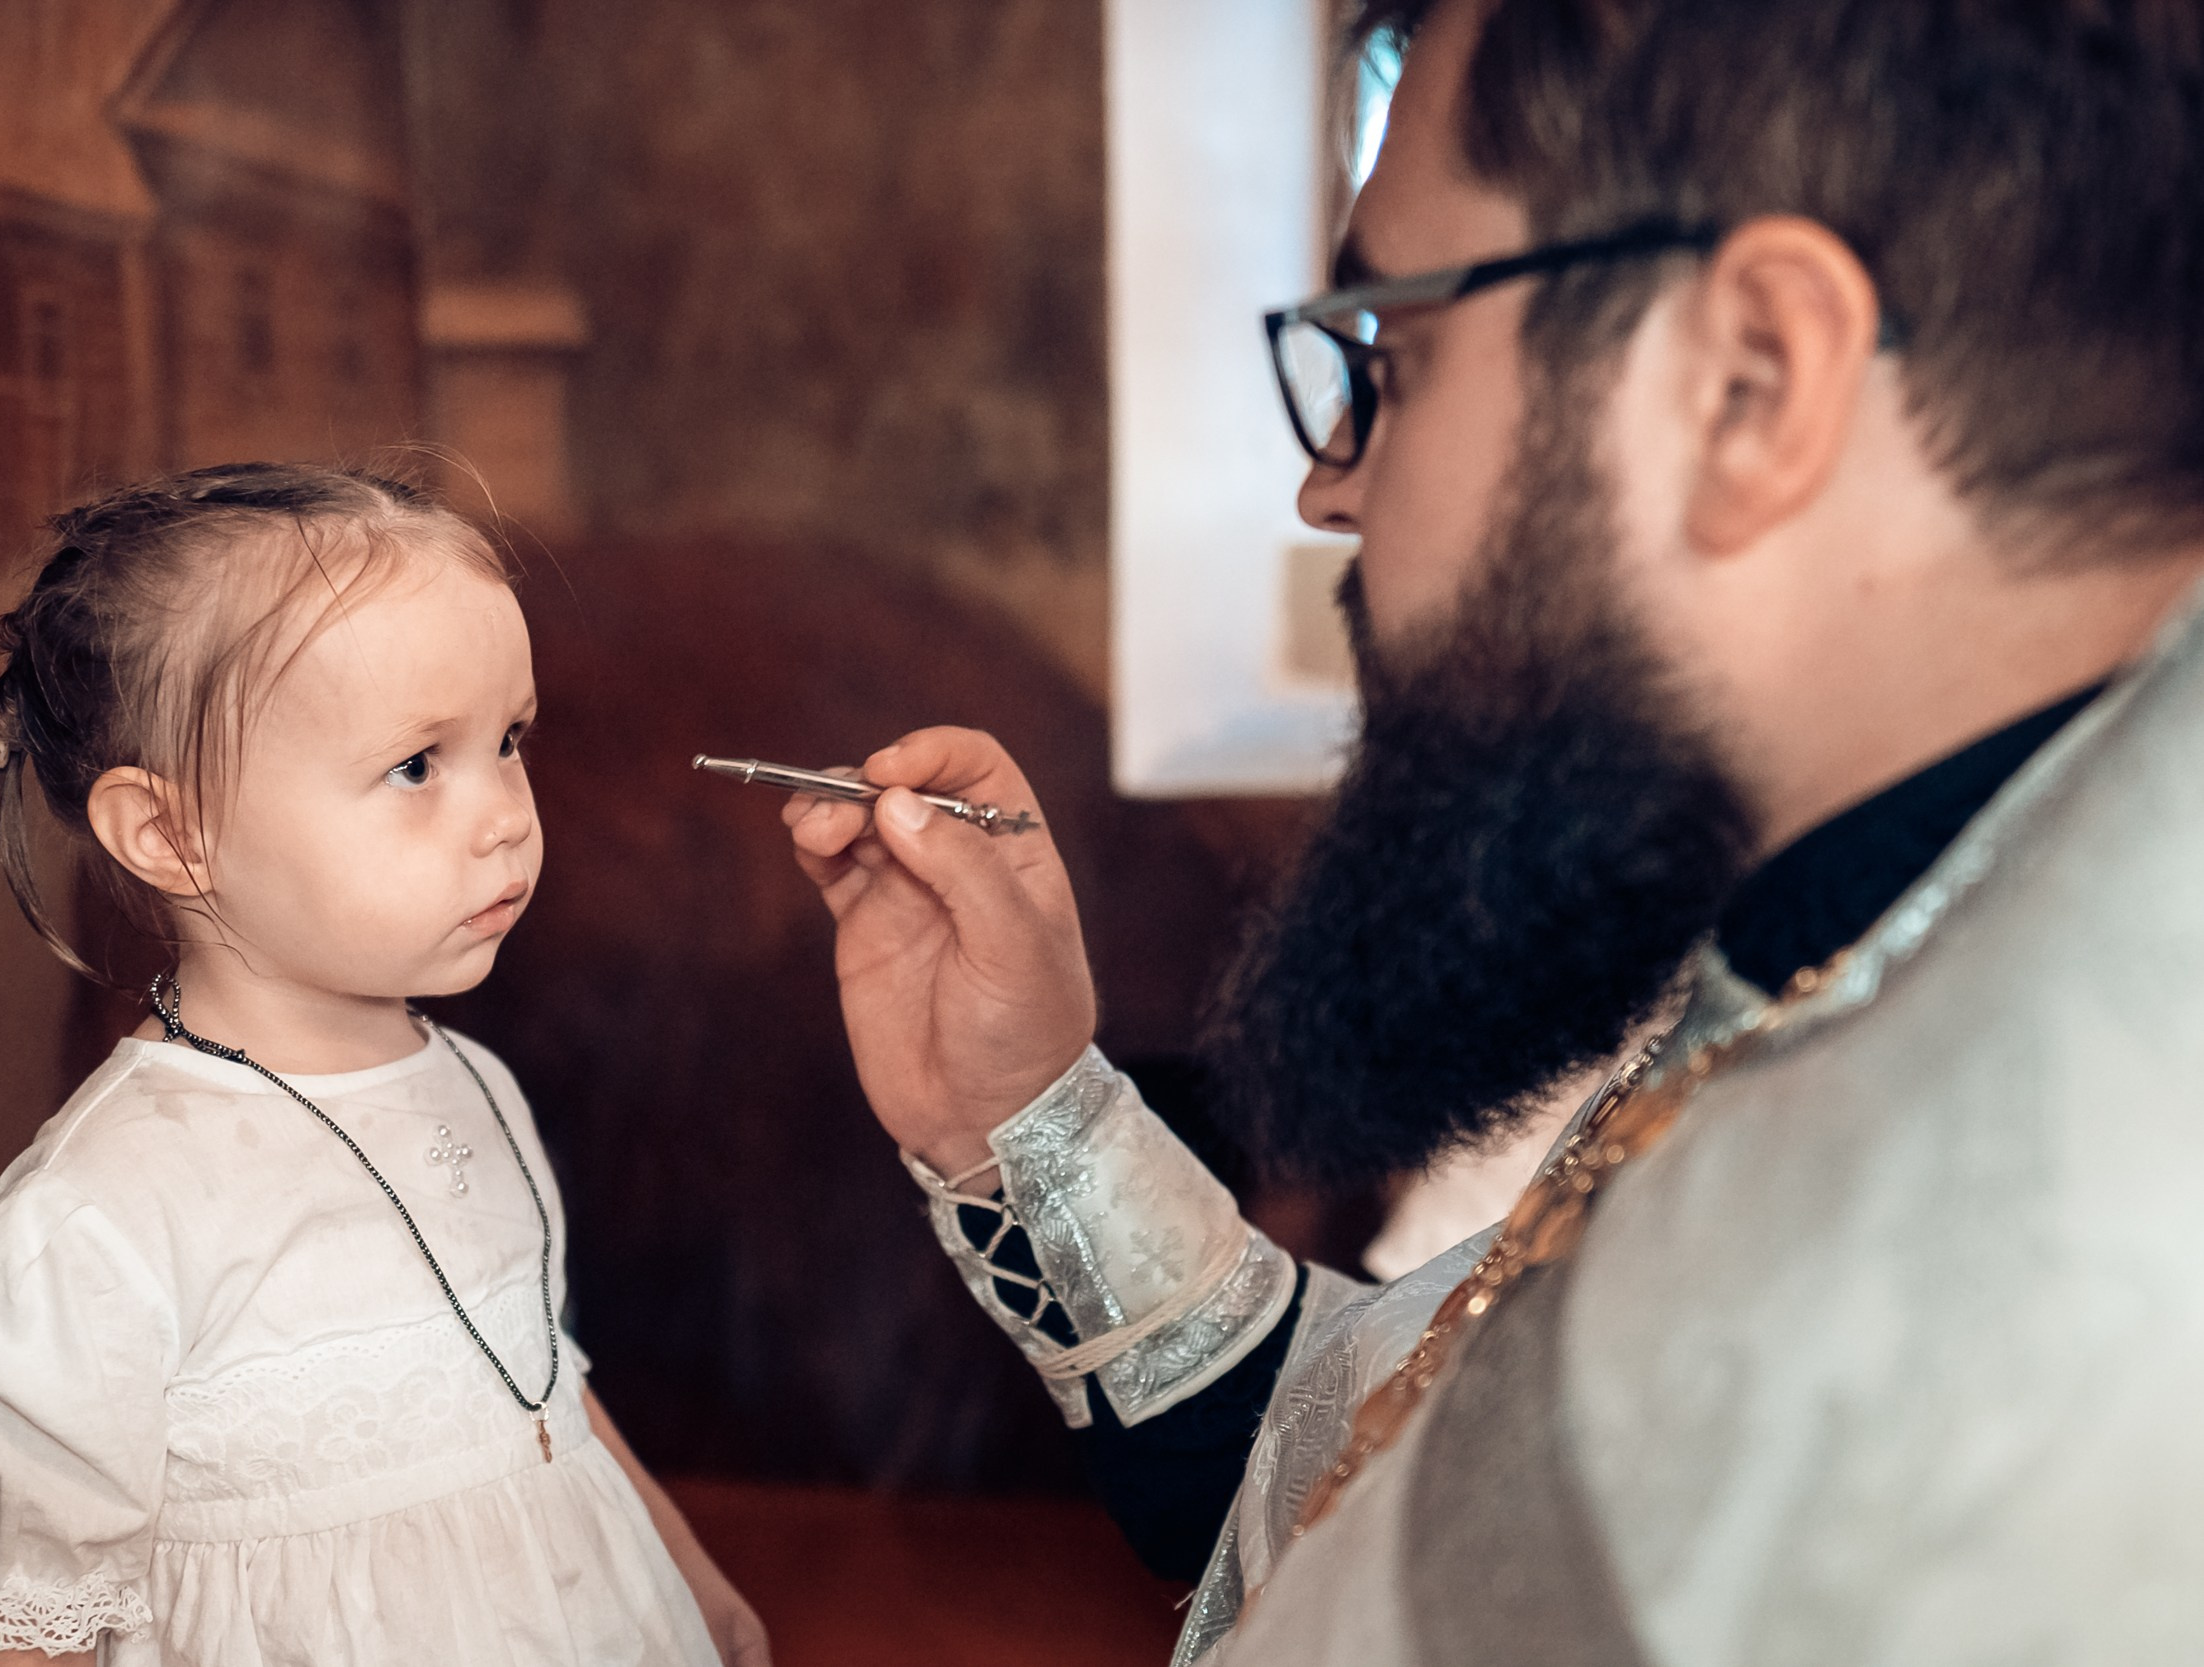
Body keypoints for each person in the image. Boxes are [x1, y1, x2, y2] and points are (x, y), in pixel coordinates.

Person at [784, 0, 2204, 1660]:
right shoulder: (1894, 913)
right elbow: (1417, 1473)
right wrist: (1025, 1120)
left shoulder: (2087, 1284)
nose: (1332, 483)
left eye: (1392, 352)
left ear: (1757, 381)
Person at [0, 466, 768, 1667]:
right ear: (172, 833)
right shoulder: (100, 1219)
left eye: (509, 741)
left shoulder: (473, 1083)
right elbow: (20, 1630)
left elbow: (533, 1376)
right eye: (417, 765)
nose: (506, 811)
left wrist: (688, 1576)